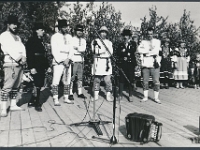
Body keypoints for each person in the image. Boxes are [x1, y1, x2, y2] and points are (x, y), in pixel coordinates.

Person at [0, 15, 26, 117]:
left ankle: (13, 104)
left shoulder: (18, 37)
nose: (15, 26)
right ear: (8, 24)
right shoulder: (4, 35)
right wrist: (19, 57)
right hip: (10, 63)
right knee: (7, 86)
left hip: (19, 63)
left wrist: (24, 57)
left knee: (16, 85)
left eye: (16, 24)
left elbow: (22, 47)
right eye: (13, 24)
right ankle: (3, 108)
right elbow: (9, 49)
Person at [25, 22, 49, 112]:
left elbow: (44, 55)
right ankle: (37, 103)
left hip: (41, 65)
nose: (43, 31)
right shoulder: (31, 41)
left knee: (40, 84)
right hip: (35, 65)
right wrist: (31, 67)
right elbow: (29, 55)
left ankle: (32, 100)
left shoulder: (41, 41)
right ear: (36, 30)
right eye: (41, 30)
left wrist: (47, 66)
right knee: (38, 84)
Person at [50, 19, 74, 106]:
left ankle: (66, 97)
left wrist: (68, 58)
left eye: (66, 27)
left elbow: (72, 49)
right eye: (64, 27)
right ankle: (55, 98)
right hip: (59, 61)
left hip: (67, 60)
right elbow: (54, 51)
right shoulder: (54, 37)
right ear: (60, 27)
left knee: (67, 80)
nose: (66, 28)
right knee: (56, 80)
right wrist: (62, 60)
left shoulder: (69, 37)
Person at [137, 27, 162, 104]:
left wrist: (146, 52)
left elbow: (156, 51)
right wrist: (148, 51)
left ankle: (156, 97)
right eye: (148, 34)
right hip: (145, 63)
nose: (149, 35)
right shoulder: (143, 42)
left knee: (156, 81)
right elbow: (139, 50)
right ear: (146, 34)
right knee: (145, 81)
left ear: (153, 34)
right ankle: (145, 97)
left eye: (151, 34)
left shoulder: (157, 42)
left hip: (154, 63)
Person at [91, 26, 113, 101]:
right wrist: (103, 51)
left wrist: (102, 53)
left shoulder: (109, 42)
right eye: (102, 32)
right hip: (98, 62)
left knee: (108, 80)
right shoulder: (95, 41)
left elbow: (110, 53)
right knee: (97, 80)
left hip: (106, 63)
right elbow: (95, 51)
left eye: (105, 32)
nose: (103, 34)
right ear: (99, 33)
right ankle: (96, 96)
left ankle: (108, 96)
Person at [116, 28, 137, 102]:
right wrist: (126, 53)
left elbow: (133, 50)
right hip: (123, 63)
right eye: (124, 35)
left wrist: (124, 52)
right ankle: (120, 94)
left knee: (130, 79)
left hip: (131, 63)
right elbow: (118, 53)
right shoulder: (121, 44)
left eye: (127, 35)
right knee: (121, 79)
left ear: (129, 36)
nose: (125, 37)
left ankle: (130, 95)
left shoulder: (133, 43)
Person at [68, 24, 86, 100]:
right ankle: (70, 92)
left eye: (81, 31)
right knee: (72, 77)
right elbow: (71, 50)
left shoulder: (84, 40)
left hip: (81, 60)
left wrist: (77, 48)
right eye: (78, 30)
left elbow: (83, 49)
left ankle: (80, 92)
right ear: (75, 31)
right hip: (73, 60)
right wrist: (79, 49)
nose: (79, 32)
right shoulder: (72, 39)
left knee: (80, 78)